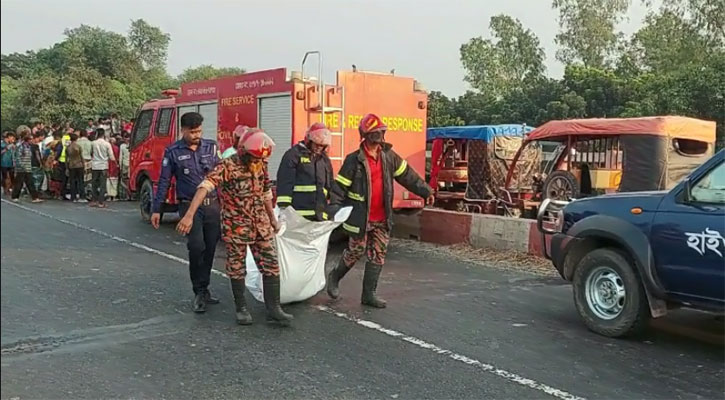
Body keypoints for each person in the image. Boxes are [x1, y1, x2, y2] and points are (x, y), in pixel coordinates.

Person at [176, 128, 293, 326]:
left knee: (271, 264)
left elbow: (265, 193)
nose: (257, 163)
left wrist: (273, 221)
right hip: (237, 226)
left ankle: (274, 309)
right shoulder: (227, 166)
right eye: (254, 158)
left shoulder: (261, 163)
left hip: (261, 225)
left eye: (260, 160)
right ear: (244, 152)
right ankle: (242, 308)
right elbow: (204, 187)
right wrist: (189, 215)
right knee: (237, 269)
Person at [326, 113, 434, 308]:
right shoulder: (354, 160)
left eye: (380, 132)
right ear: (365, 136)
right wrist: (334, 209)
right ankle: (334, 277)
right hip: (360, 217)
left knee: (378, 255)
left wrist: (425, 191)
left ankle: (369, 295)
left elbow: (408, 176)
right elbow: (340, 187)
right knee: (355, 251)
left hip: (382, 218)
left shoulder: (389, 157)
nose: (379, 136)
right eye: (375, 133)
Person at [151, 112, 221, 313]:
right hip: (188, 205)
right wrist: (158, 209)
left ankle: (205, 287)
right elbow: (164, 181)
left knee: (210, 249)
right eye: (192, 132)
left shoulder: (211, 147)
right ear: (183, 130)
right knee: (196, 246)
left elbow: (222, 174)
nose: (197, 135)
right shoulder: (173, 151)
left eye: (199, 131)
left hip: (212, 205)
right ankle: (198, 290)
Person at [276, 122, 333, 221]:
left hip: (319, 216)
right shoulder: (293, 155)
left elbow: (330, 185)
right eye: (317, 144)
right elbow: (285, 183)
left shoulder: (324, 159)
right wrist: (284, 209)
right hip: (298, 216)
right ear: (309, 140)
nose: (319, 148)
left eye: (322, 145)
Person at [11, 126, 42, 203]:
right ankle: (15, 196)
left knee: (30, 183)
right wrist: (21, 166)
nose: (32, 140)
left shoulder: (28, 146)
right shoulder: (20, 146)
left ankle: (35, 197)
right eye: (30, 139)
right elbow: (17, 157)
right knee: (19, 183)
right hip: (21, 168)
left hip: (28, 167)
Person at [90, 127, 115, 208]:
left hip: (95, 166)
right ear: (104, 134)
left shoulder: (93, 143)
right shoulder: (107, 144)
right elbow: (111, 157)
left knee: (94, 184)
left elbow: (91, 153)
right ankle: (101, 202)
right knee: (102, 184)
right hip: (104, 166)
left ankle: (94, 200)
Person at [66, 133, 85, 202]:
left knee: (72, 182)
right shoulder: (78, 146)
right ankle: (82, 196)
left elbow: (67, 159)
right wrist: (84, 165)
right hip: (79, 165)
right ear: (76, 139)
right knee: (81, 181)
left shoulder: (68, 147)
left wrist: (67, 168)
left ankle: (73, 197)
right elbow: (81, 157)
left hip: (71, 165)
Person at [1, 131, 17, 196]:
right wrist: (6, 148)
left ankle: (10, 189)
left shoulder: (12, 144)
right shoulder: (2, 144)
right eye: (12, 138)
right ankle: (6, 189)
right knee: (6, 177)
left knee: (11, 177)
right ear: (9, 137)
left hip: (11, 163)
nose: (13, 140)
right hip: (4, 163)